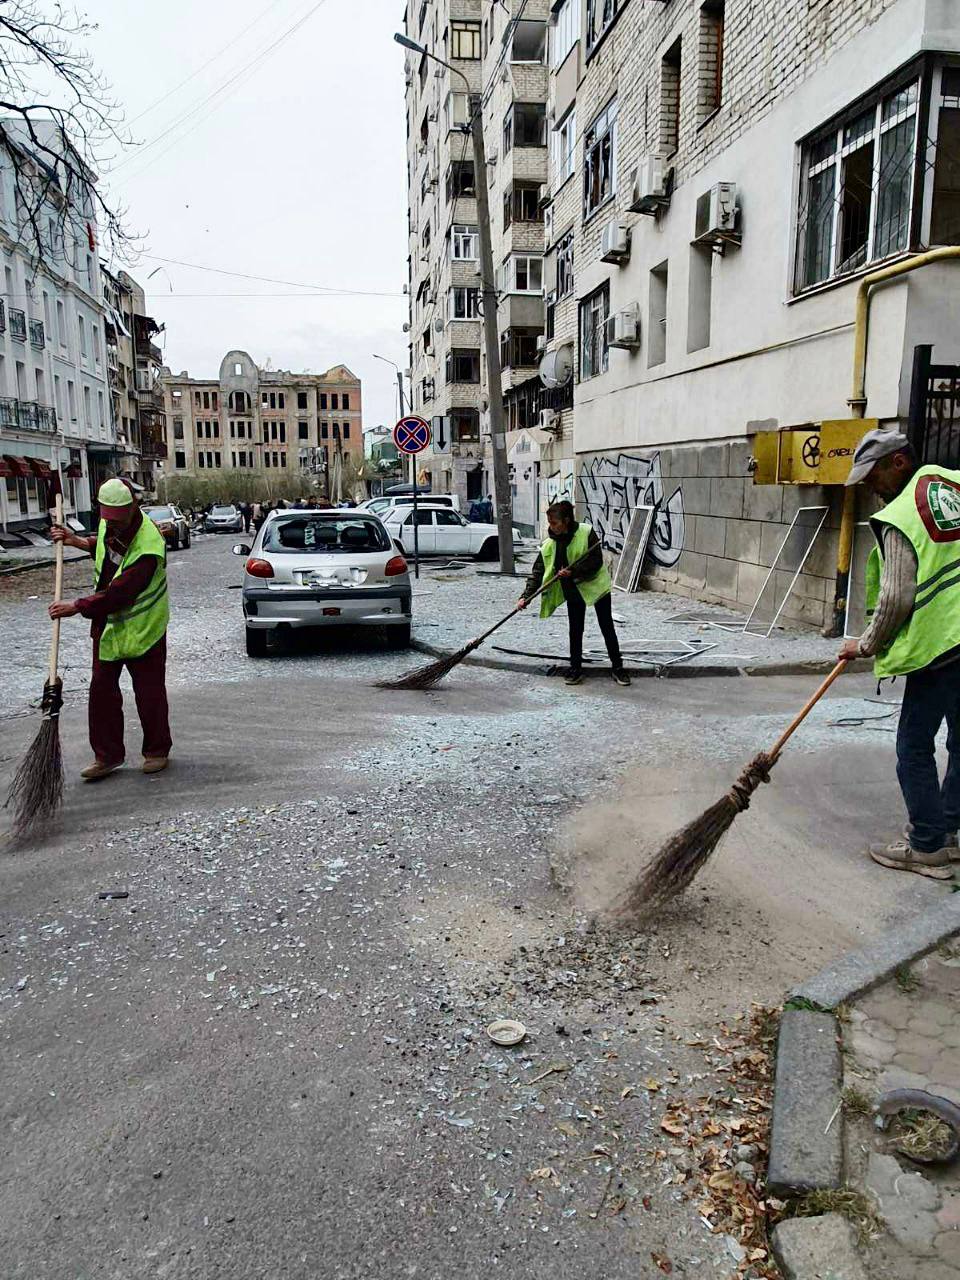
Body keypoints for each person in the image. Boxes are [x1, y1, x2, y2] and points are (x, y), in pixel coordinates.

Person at [839, 428, 960, 879]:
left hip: (941, 645)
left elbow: (895, 600)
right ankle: (948, 832)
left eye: (873, 475)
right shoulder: (950, 484)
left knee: (913, 745)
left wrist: (865, 645)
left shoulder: (903, 515)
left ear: (898, 463)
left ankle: (926, 845)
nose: (870, 485)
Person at [49, 477, 172, 781]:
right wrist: (76, 540)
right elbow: (106, 547)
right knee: (101, 692)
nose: (113, 525)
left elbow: (119, 593)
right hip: (109, 627)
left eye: (119, 520)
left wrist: (76, 606)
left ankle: (157, 751)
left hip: (144, 629)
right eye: (109, 519)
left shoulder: (148, 545)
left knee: (149, 693)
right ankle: (107, 756)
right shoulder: (109, 523)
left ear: (133, 507)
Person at [517, 499, 630, 687]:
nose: (551, 527)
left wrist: (573, 572)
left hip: (595, 585)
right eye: (550, 523)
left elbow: (596, 562)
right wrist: (525, 597)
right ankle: (575, 668)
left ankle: (618, 667)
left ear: (567, 520)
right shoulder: (549, 544)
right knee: (575, 630)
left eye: (554, 523)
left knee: (606, 627)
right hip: (573, 589)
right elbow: (538, 571)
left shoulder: (586, 532)